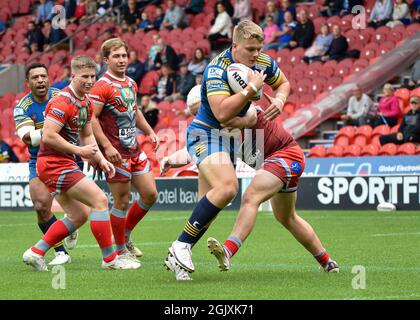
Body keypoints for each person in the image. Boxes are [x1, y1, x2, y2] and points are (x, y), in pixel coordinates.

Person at [165, 20, 290, 278]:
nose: (256, 55)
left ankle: (178, 259)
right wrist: (253, 88)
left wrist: (279, 98)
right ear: (235, 46)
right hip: (205, 133)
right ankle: (181, 245)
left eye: (259, 48)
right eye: (250, 49)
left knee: (208, 208)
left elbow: (283, 83)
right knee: (228, 188)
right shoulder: (216, 70)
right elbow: (222, 113)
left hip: (229, 140)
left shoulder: (263, 62)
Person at [22, 56, 140, 271]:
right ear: (73, 75)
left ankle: (36, 252)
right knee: (99, 200)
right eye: (84, 76)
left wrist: (100, 158)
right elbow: (48, 136)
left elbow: (87, 135)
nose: (89, 80)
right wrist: (80, 151)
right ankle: (110, 259)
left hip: (63, 162)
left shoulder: (85, 101)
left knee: (79, 215)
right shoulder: (62, 101)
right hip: (52, 164)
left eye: (92, 76)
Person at [90, 38, 159, 260]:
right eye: (116, 56)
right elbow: (91, 119)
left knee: (150, 194)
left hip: (134, 149)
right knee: (121, 200)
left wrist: (149, 131)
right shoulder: (101, 86)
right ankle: (119, 250)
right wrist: (106, 147)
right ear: (106, 59)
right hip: (116, 154)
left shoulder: (131, 82)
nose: (121, 60)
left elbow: (135, 110)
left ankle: (125, 236)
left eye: (124, 56)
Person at [14, 63, 75, 267]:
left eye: (43, 76)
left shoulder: (62, 97)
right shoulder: (22, 108)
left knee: (77, 207)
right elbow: (28, 138)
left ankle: (70, 224)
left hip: (66, 155)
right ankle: (61, 252)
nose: (40, 80)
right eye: (35, 78)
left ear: (49, 79)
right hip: (38, 160)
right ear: (28, 83)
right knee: (41, 207)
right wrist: (53, 130)